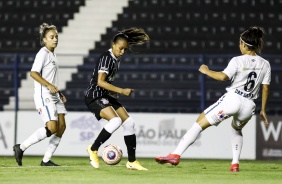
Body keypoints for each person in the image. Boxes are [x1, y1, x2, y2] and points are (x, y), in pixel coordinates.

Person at [155, 26, 270, 172]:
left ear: (244, 44)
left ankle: (175, 155)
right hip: (249, 106)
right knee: (236, 130)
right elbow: (266, 88)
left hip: (232, 101)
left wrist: (206, 70)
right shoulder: (265, 64)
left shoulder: (238, 60)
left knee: (199, 124)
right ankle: (235, 164)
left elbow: (222, 77)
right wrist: (263, 110)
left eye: (239, 43)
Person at [85, 28, 149, 170]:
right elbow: (100, 82)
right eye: (121, 49)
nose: (122, 52)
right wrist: (121, 91)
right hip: (94, 95)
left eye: (125, 50)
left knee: (129, 123)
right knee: (115, 121)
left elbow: (106, 83)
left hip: (105, 95)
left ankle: (131, 162)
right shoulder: (107, 58)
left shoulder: (115, 59)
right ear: (113, 44)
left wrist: (113, 93)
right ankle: (93, 149)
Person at [13, 23, 67, 166]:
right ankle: (21, 147)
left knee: (61, 127)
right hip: (44, 94)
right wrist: (49, 85)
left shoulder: (53, 55)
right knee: (52, 128)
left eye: (56, 36)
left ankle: (46, 160)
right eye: (51, 37)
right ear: (44, 40)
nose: (55, 39)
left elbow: (51, 77)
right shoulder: (42, 53)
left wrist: (59, 92)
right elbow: (33, 73)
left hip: (54, 95)